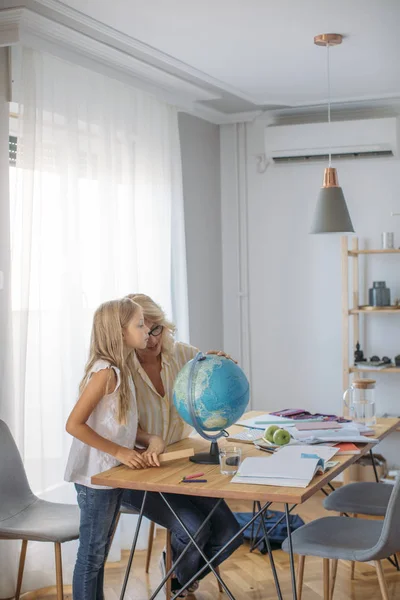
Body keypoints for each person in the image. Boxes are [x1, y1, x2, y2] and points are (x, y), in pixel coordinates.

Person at [122, 293, 243, 597]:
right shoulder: (120, 368)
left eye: (157, 329)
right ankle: (179, 578)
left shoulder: (182, 355)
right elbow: (119, 427)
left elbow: (209, 373)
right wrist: (148, 440)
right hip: (139, 471)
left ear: (165, 326)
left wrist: (218, 363)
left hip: (178, 463)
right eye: (143, 330)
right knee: (194, 529)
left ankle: (178, 574)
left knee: (231, 532)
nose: (151, 340)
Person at [64, 297, 165, 600]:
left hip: (112, 476)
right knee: (92, 556)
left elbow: (119, 426)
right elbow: (74, 425)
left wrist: (149, 440)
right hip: (97, 479)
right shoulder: (106, 373)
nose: (147, 329)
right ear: (120, 333)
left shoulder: (122, 370)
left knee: (99, 554)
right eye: (139, 324)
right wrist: (120, 452)